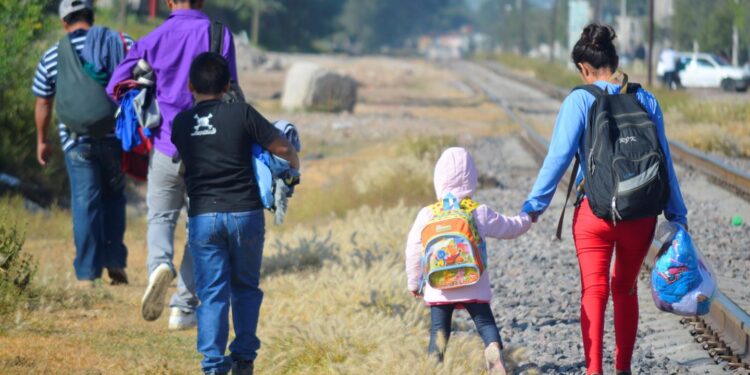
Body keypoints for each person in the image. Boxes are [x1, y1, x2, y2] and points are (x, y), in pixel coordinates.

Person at [522, 24, 688, 375]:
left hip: (595, 215)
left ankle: (594, 371)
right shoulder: (646, 99)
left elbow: (558, 159)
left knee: (594, 292)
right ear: (614, 60)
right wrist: (677, 213)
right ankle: (623, 369)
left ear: (584, 68)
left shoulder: (580, 100)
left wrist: (533, 208)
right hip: (640, 214)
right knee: (625, 290)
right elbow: (665, 162)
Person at [107, 0, 239, 329]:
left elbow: (115, 87)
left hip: (166, 146)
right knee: (201, 228)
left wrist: (146, 91)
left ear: (167, 1)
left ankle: (158, 266)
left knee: (161, 217)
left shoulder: (152, 40)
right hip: (209, 150)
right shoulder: (220, 35)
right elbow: (231, 88)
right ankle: (183, 307)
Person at [171, 52, 299, 375]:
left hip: (204, 218)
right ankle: (243, 359)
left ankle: (213, 366)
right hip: (245, 214)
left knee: (212, 294)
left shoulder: (181, 124)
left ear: (190, 86)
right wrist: (293, 168)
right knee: (245, 287)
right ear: (228, 84)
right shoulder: (241, 113)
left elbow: (184, 165)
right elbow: (282, 147)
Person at [405, 147, 532, 375]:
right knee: (485, 324)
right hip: (473, 282)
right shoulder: (478, 212)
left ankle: (434, 368)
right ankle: (492, 349)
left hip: (439, 286)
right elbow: (510, 228)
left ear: (438, 180)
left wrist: (414, 283)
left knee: (438, 331)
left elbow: (413, 250)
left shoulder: (428, 214)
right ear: (471, 180)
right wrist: (528, 217)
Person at [33, 0, 133, 288]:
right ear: (92, 16)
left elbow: (43, 100)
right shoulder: (121, 41)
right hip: (115, 137)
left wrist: (42, 140)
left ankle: (88, 274)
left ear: (65, 22)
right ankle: (114, 260)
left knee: (85, 202)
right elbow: (144, 75)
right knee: (114, 197)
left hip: (76, 141)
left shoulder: (53, 54)